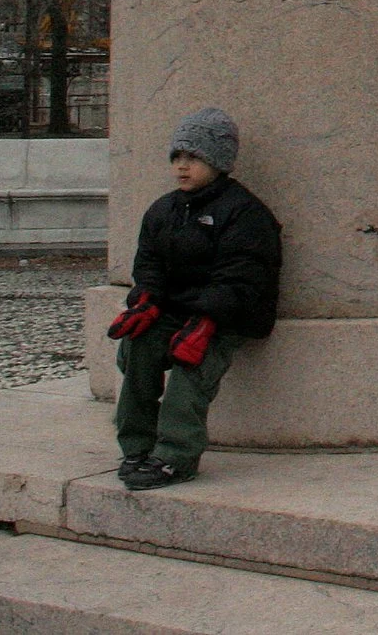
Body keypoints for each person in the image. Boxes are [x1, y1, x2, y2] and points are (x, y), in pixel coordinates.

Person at [106, 108, 282, 490]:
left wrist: (205, 319)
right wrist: (146, 300)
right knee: (139, 351)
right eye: (178, 157)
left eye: (194, 158)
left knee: (190, 372)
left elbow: (242, 276)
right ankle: (136, 445)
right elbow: (148, 261)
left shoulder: (244, 214)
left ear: (218, 161)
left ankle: (175, 457)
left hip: (221, 318)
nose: (182, 167)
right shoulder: (164, 209)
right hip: (173, 310)